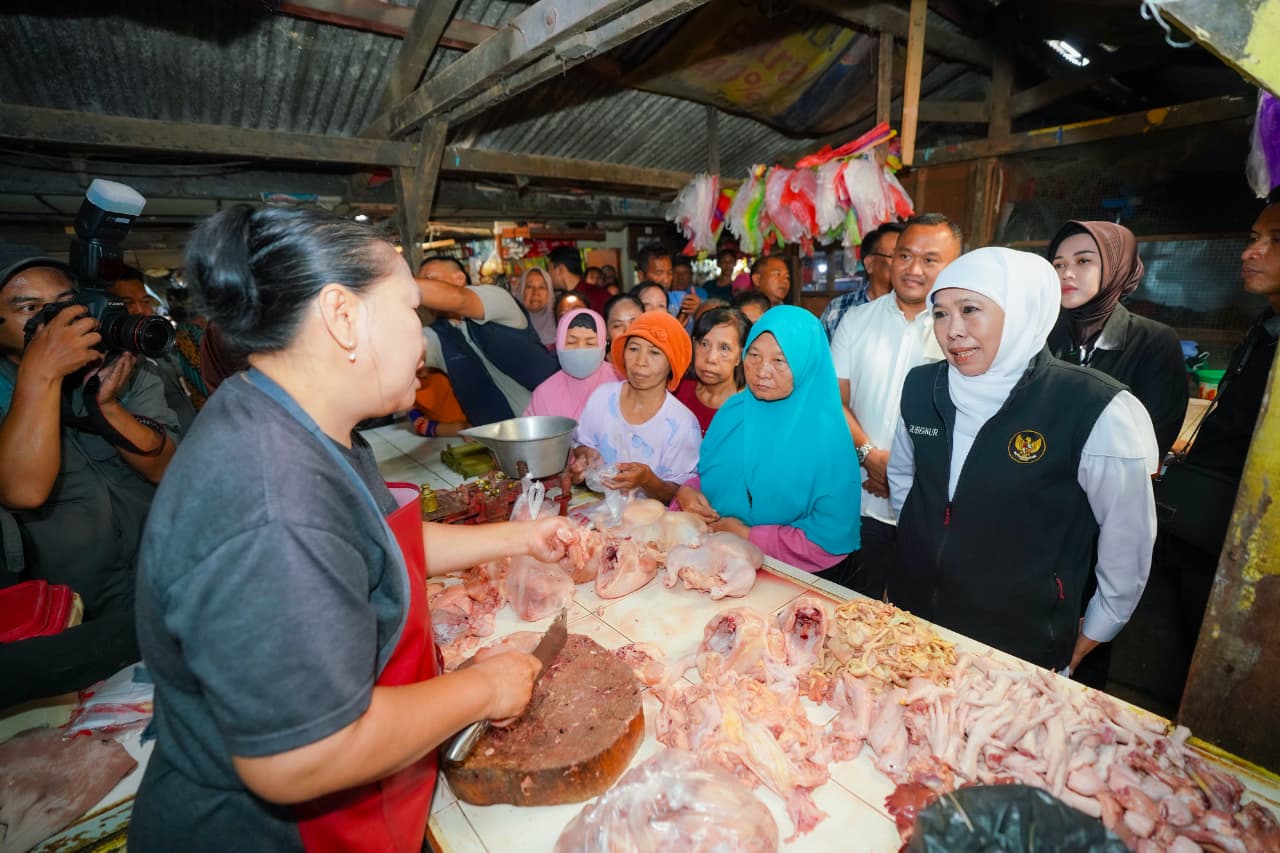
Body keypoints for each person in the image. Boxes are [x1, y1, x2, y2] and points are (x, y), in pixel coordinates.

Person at [129, 206, 575, 850]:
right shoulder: (270, 499)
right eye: (409, 309)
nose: (422, 336)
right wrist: (483, 689)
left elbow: (381, 542)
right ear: (343, 317)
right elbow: (303, 755)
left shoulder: (301, 422)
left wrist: (521, 537)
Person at [888, 247, 1159, 675]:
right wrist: (917, 550)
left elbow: (1128, 536)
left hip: (1019, 640)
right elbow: (904, 478)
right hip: (915, 622)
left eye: (970, 310)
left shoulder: (1091, 406)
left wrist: (1102, 625)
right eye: (940, 314)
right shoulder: (922, 387)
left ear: (1020, 312)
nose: (952, 330)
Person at [0, 244, 179, 707]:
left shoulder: (126, 369)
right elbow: (23, 490)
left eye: (64, 304)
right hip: (75, 608)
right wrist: (42, 375)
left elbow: (166, 468)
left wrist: (108, 406)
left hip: (161, 573)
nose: (55, 320)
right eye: (30, 309)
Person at [1125, 194, 1280, 709]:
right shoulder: (1264, 328)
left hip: (1247, 537)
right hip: (1206, 523)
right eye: (1254, 238)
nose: (1251, 252)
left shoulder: (1152, 341)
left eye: (1275, 241)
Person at [833, 213, 962, 599]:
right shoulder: (856, 320)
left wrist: (902, 472)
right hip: (860, 499)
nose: (913, 269)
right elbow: (834, 402)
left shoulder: (961, 332)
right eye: (904, 256)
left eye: (930, 259)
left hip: (930, 507)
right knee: (854, 606)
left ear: (954, 265)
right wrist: (870, 456)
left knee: (917, 616)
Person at [676, 307, 861, 575]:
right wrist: (688, 491)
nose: (762, 371)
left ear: (806, 363)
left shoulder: (828, 438)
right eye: (754, 355)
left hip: (798, 578)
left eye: (779, 361)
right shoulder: (733, 412)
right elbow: (712, 473)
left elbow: (829, 539)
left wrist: (749, 536)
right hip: (719, 561)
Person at [1048, 221, 1188, 457]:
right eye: (1058, 264)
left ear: (1116, 267)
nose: (1066, 274)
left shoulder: (1154, 341)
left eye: (1083, 261)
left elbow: (1154, 436)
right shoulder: (1042, 334)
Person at [570, 311, 700, 503]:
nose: (640, 362)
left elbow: (679, 495)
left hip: (651, 518)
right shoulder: (602, 397)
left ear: (671, 364)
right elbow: (581, 445)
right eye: (633, 349)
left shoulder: (682, 423)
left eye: (654, 352)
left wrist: (648, 480)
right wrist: (585, 456)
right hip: (598, 508)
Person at [418, 256, 558, 425]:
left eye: (430, 280)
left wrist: (398, 286)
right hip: (499, 439)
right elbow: (410, 349)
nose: (423, 291)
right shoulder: (438, 336)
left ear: (459, 278)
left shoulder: (497, 299)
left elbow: (459, 298)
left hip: (552, 424)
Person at [107, 267, 198, 433]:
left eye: (145, 301)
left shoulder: (159, 349)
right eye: (127, 303)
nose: (141, 310)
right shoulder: (112, 369)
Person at [524, 308, 617, 421]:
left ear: (603, 345)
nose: (581, 350)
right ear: (558, 344)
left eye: (590, 343)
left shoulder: (621, 382)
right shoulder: (544, 395)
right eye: (572, 342)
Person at [819, 223, 904, 340]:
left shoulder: (917, 310)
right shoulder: (838, 309)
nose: (903, 265)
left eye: (905, 257)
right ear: (869, 264)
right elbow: (820, 351)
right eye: (895, 256)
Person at [675, 307, 750, 435]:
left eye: (724, 348)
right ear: (694, 344)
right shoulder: (677, 392)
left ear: (740, 356)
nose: (711, 358)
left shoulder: (747, 408)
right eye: (704, 344)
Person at [547, 246, 609, 313]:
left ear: (560, 269)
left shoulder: (598, 297)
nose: (548, 274)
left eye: (549, 270)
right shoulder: (560, 299)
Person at [510, 266, 557, 348]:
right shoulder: (510, 325)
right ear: (521, 291)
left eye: (541, 287)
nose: (535, 293)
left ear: (550, 293)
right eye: (529, 287)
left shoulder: (560, 324)